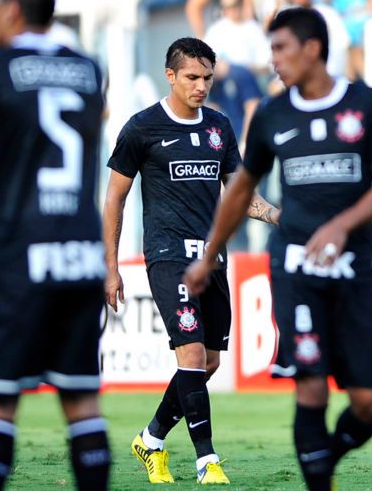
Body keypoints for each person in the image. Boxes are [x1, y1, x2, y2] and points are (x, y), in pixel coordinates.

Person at [183, 7, 372, 491]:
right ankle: (318, 480)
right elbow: (240, 190)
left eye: (280, 48)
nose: (272, 59)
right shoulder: (272, 114)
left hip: (355, 269)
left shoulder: (369, 104)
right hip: (295, 267)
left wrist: (342, 227)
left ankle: (325, 459)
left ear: (313, 49)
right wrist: (209, 254)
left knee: (370, 403)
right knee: (311, 385)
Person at [0, 0, 111, 491]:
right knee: (82, 402)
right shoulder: (90, 69)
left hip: (20, 255)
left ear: (12, 11)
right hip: (81, 255)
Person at [104, 38, 279, 485]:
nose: (201, 86)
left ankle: (151, 438)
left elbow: (241, 194)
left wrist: (278, 216)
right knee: (193, 352)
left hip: (213, 260)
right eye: (192, 78)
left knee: (209, 362)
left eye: (207, 78)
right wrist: (111, 266)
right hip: (166, 256)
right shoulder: (142, 128)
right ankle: (207, 461)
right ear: (171, 76)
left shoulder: (220, 127)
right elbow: (115, 198)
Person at [204, 0, 272, 76]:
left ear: (241, 4)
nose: (230, 10)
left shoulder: (254, 29)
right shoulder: (215, 31)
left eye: (234, 5)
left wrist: (244, 70)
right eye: (226, 7)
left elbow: (266, 66)